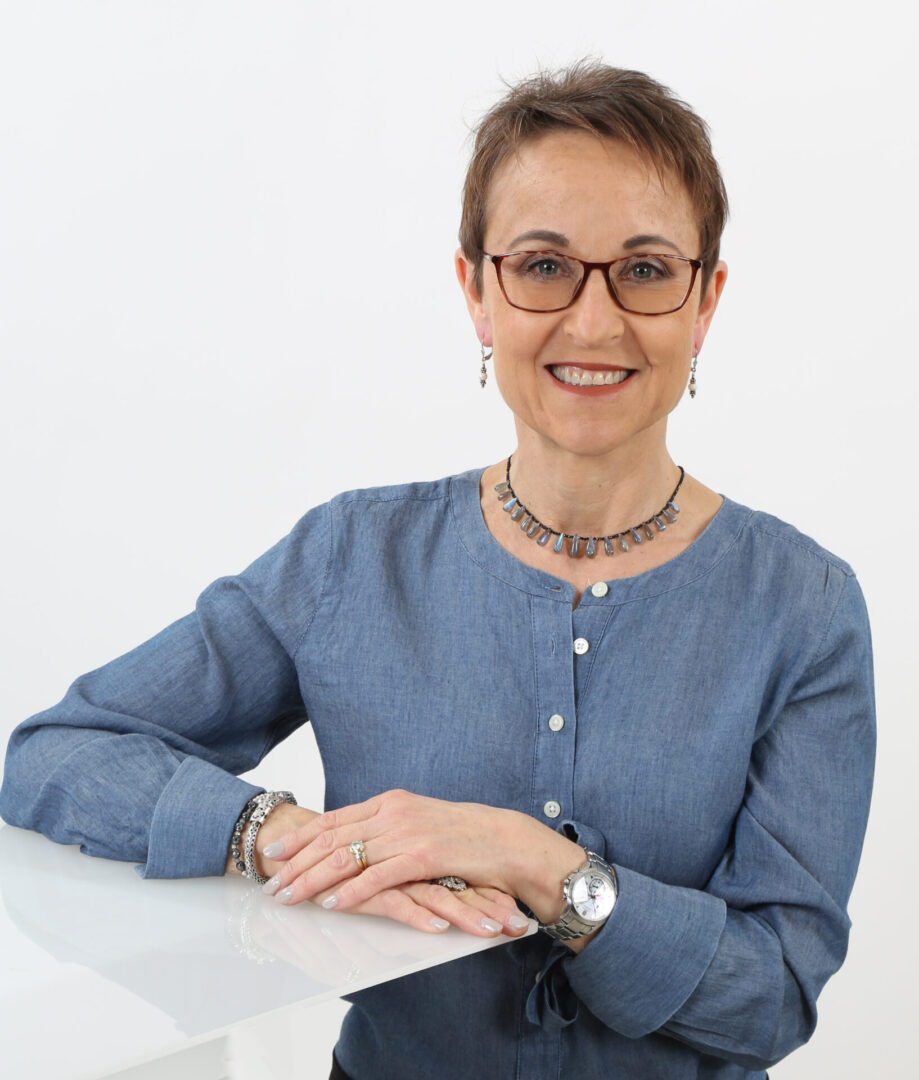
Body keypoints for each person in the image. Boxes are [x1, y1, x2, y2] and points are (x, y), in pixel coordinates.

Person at [0, 62, 875, 1080]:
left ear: (704, 302)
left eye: (644, 269)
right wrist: (272, 834)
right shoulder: (348, 559)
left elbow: (770, 999)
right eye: (543, 265)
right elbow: (57, 753)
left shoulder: (804, 609)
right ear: (476, 291)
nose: (593, 323)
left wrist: (539, 865)